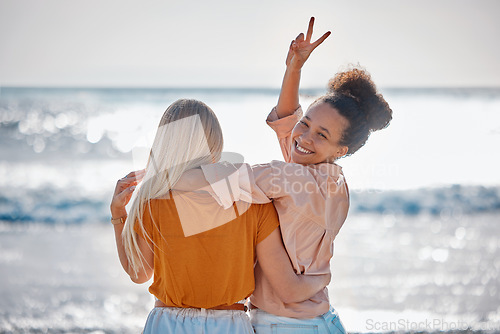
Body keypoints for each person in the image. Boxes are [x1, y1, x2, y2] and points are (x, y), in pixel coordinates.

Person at [175, 17, 393, 333]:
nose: (304, 138)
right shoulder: (330, 179)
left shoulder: (291, 178)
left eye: (322, 135)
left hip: (289, 326)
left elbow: (218, 181)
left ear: (340, 149)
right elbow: (289, 127)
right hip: (317, 320)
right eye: (306, 123)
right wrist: (294, 69)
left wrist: (164, 178)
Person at [109, 99, 330, 334]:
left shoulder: (153, 201)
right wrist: (322, 278)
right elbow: (284, 283)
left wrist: (118, 215)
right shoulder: (251, 200)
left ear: (166, 142)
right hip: (230, 324)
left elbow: (139, 273)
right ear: (215, 141)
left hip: (167, 323)